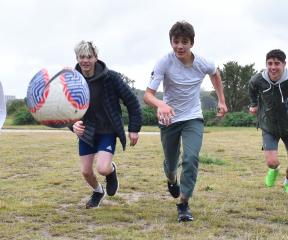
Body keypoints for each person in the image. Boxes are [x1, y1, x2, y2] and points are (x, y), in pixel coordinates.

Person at [143, 21, 227, 222]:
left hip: (192, 117)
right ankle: (172, 179)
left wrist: (221, 100)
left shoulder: (202, 62)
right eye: (176, 41)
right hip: (169, 118)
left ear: (191, 43)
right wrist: (161, 105)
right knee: (171, 165)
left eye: (184, 42)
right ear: (171, 42)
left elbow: (215, 73)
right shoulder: (164, 62)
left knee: (190, 158)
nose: (179, 46)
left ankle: (183, 204)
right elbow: (147, 95)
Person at [71, 41, 142, 208]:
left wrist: (134, 129)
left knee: (102, 168)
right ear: (77, 58)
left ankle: (111, 171)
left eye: (89, 56)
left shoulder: (111, 78)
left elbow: (132, 102)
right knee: (86, 172)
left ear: (96, 58)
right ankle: (97, 191)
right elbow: (66, 109)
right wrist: (73, 125)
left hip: (107, 130)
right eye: (82, 57)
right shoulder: (72, 81)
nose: (85, 60)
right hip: (87, 132)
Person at [249, 49, 288, 198]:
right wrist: (253, 104)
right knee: (271, 162)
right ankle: (274, 169)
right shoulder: (258, 79)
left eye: (277, 63)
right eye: (270, 63)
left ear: (284, 64)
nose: (273, 67)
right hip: (269, 126)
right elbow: (252, 88)